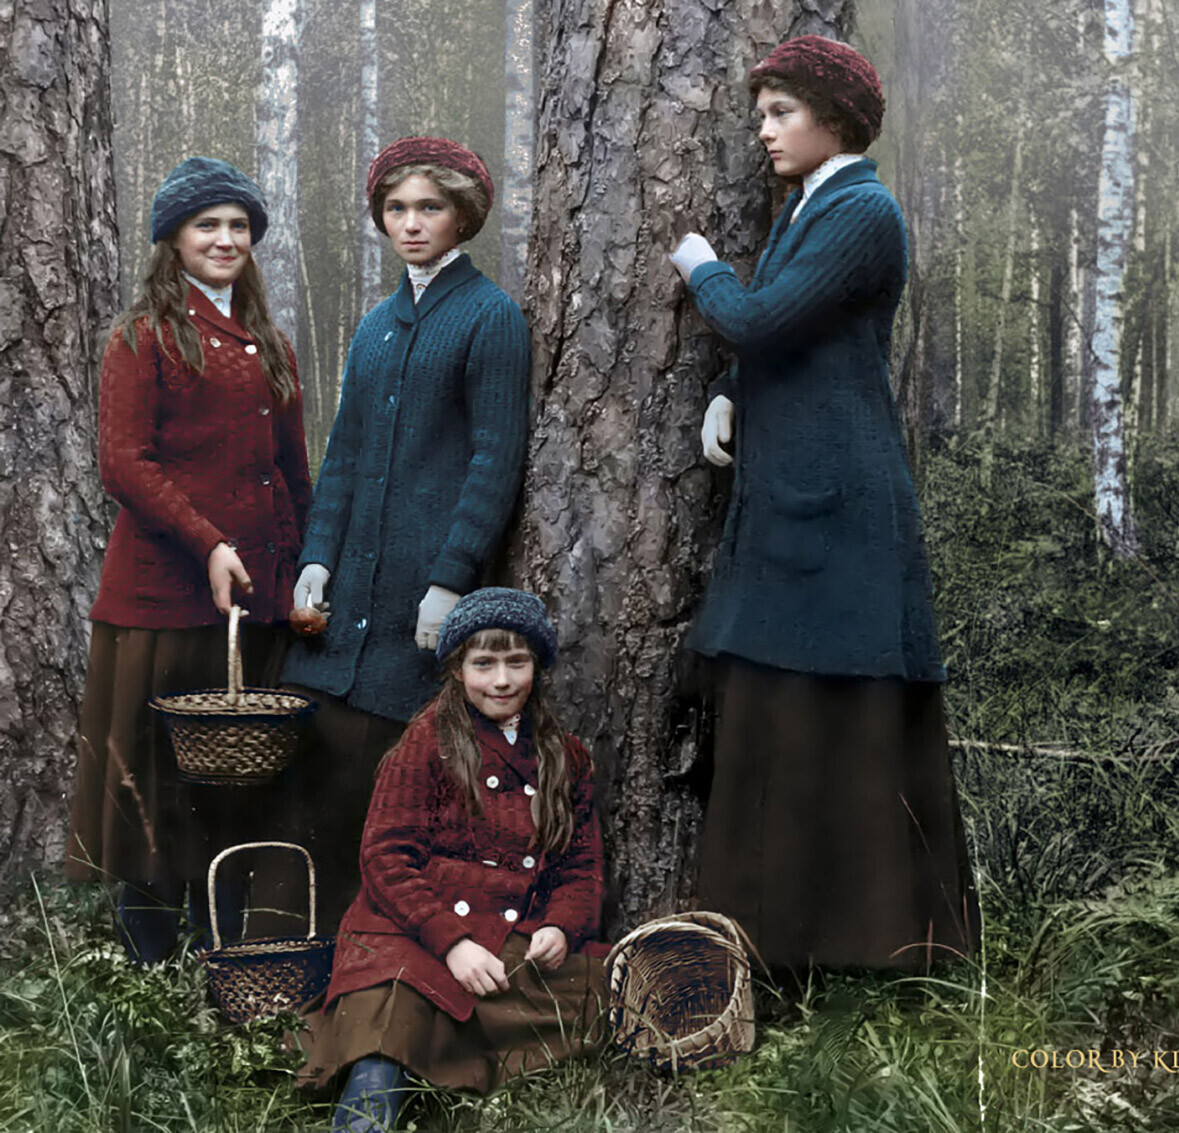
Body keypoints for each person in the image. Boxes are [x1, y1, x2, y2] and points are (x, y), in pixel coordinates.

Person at [668, 36, 980, 972]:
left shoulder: (862, 209)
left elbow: (759, 316)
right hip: (794, 491)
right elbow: (795, 339)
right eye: (760, 112)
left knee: (837, 709)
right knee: (780, 711)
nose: (762, 131)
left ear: (834, 120)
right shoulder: (810, 207)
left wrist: (698, 265)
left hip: (841, 500)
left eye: (780, 112)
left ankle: (876, 947)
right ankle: (776, 947)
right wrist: (732, 389)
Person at [271, 137, 531, 936]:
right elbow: (343, 455)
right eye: (396, 209)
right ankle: (283, 948)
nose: (411, 224)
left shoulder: (491, 317)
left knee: (385, 780)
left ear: (463, 216)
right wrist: (317, 557)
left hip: (418, 601)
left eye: (430, 208)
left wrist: (452, 578)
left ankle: (369, 958)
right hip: (343, 602)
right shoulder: (377, 325)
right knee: (305, 773)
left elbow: (495, 459)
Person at [64, 156, 313, 964]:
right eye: (208, 224)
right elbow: (123, 463)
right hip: (159, 605)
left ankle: (227, 958)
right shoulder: (144, 337)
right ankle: (152, 970)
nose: (226, 239)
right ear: (171, 240)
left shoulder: (270, 344)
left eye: (240, 225)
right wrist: (209, 540)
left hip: (252, 609)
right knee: (150, 793)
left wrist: (307, 575)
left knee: (232, 790)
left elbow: (291, 473)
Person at [296, 589, 606, 1132]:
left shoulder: (564, 756)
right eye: (483, 664)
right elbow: (386, 858)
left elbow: (582, 869)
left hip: (506, 938)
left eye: (517, 662)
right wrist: (452, 942)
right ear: (458, 670)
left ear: (539, 665)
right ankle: (368, 1112)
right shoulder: (428, 741)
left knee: (599, 991)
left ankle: (457, 1054)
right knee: (391, 1015)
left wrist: (560, 923)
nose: (502, 681)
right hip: (413, 930)